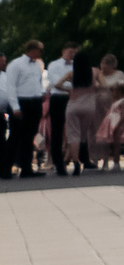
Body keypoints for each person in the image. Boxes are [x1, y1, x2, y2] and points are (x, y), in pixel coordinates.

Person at [2, 41, 44, 179]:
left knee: (29, 137)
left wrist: (41, 92)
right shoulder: (16, 64)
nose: (40, 53)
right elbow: (11, 86)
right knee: (15, 137)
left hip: (34, 102)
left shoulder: (37, 66)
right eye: (39, 50)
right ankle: (5, 168)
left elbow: (37, 82)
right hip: (21, 102)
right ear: (32, 50)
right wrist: (15, 106)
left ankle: (26, 168)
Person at [62, 46, 103, 173]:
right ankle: (86, 158)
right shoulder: (94, 71)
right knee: (83, 135)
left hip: (73, 105)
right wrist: (94, 88)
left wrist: (69, 89)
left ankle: (75, 162)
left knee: (73, 135)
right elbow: (104, 86)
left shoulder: (72, 73)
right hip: (89, 106)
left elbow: (57, 84)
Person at [44, 44, 76, 175]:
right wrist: (69, 86)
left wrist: (67, 85)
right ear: (63, 51)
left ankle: (74, 159)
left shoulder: (76, 65)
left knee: (73, 130)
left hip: (73, 99)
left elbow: (79, 82)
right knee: (57, 131)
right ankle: (58, 162)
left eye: (74, 53)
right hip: (58, 99)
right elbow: (54, 83)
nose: (72, 55)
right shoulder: (54, 65)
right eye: (70, 52)